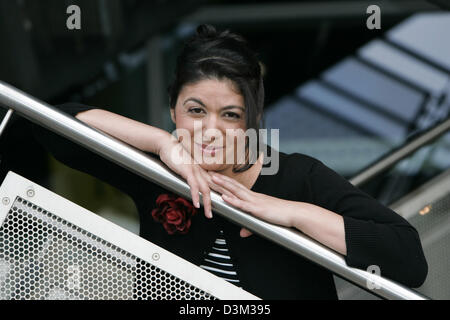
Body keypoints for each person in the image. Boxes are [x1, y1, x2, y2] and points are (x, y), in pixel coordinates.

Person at [30, 24, 427, 299]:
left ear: (253, 120)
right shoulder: (160, 170)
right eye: (195, 110)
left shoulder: (296, 176)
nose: (210, 130)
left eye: (231, 115)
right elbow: (52, 125)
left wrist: (292, 214)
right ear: (173, 109)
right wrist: (160, 145)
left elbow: (407, 258)